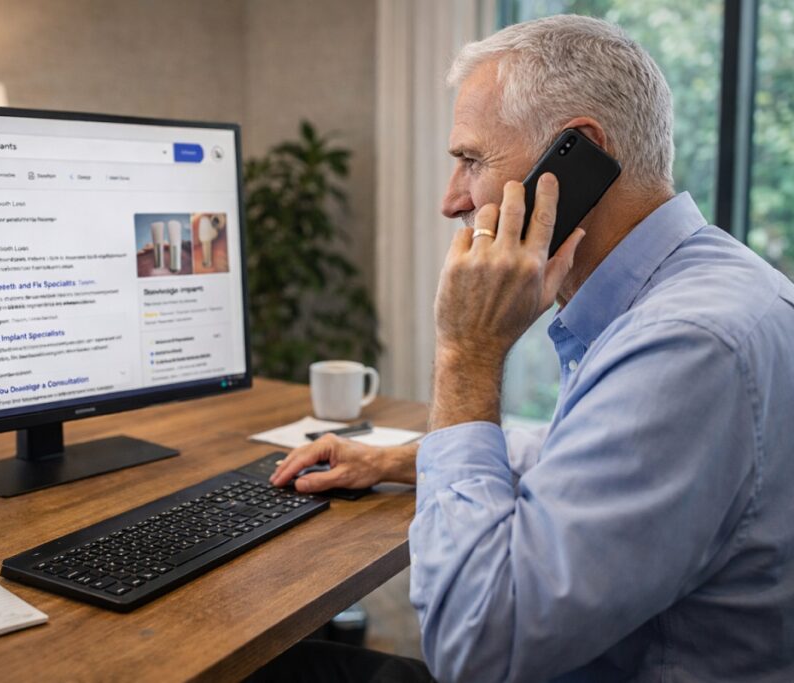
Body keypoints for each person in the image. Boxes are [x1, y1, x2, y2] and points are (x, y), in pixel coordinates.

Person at [250, 14, 794, 683]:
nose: (452, 200)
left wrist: (466, 352)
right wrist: (399, 459)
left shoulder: (686, 347)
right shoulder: (707, 288)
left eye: (472, 161)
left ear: (578, 157)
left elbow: (474, 647)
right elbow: (588, 448)